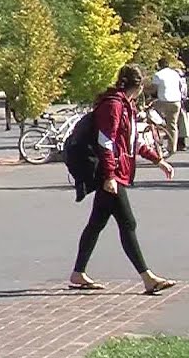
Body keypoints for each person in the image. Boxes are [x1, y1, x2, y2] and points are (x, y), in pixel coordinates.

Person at [69, 64, 176, 295]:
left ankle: (78, 273)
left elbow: (132, 141)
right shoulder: (113, 105)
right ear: (137, 86)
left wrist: (159, 161)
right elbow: (105, 141)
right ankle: (148, 278)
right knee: (128, 224)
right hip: (112, 174)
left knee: (96, 223)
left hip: (117, 173)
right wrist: (109, 175)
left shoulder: (126, 105)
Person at [151, 59, 183, 158]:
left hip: (163, 102)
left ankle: (158, 142)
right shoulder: (175, 74)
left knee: (152, 118)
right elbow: (180, 86)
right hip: (176, 101)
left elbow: (153, 89)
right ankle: (172, 148)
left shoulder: (158, 75)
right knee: (172, 125)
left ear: (159, 65)